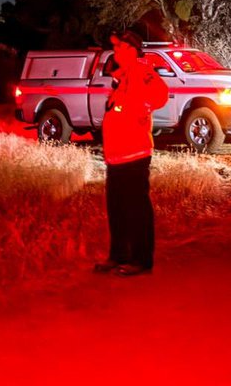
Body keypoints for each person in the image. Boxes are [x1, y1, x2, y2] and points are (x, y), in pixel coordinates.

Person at [94, 30, 169, 277]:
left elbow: (160, 94)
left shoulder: (140, 70)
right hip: (117, 156)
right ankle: (119, 256)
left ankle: (141, 260)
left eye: (120, 48)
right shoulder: (122, 76)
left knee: (137, 210)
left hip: (135, 154)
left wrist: (142, 107)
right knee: (117, 209)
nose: (115, 52)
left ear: (131, 50)